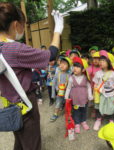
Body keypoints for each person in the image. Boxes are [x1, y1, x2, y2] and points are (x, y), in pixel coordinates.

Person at [0, 2, 64, 150]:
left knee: (20, 140)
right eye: (24, 24)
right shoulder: (14, 49)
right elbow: (51, 55)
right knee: (32, 144)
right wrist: (58, 29)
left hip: (9, 104)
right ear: (16, 25)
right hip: (25, 106)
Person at [92, 51, 114, 131]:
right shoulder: (98, 73)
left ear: (109, 62)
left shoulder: (113, 74)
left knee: (111, 108)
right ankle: (98, 120)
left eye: (103, 61)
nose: (101, 62)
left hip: (110, 95)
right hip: (100, 94)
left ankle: (111, 121)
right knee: (98, 108)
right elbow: (95, 84)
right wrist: (94, 94)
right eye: (100, 60)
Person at [65, 57, 93, 134]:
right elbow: (68, 88)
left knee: (84, 111)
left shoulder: (85, 78)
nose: (75, 68)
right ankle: (77, 123)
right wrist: (66, 96)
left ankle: (83, 121)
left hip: (84, 99)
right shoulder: (71, 78)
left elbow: (89, 87)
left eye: (78, 67)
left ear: (83, 69)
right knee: (76, 111)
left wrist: (90, 95)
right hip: (75, 99)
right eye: (74, 66)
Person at [50, 57, 72, 122]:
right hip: (59, 93)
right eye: (61, 63)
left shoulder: (70, 74)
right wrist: (53, 93)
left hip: (68, 93)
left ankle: (69, 114)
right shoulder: (57, 73)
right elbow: (53, 83)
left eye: (64, 64)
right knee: (58, 103)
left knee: (68, 104)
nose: (62, 65)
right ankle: (55, 114)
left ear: (69, 66)